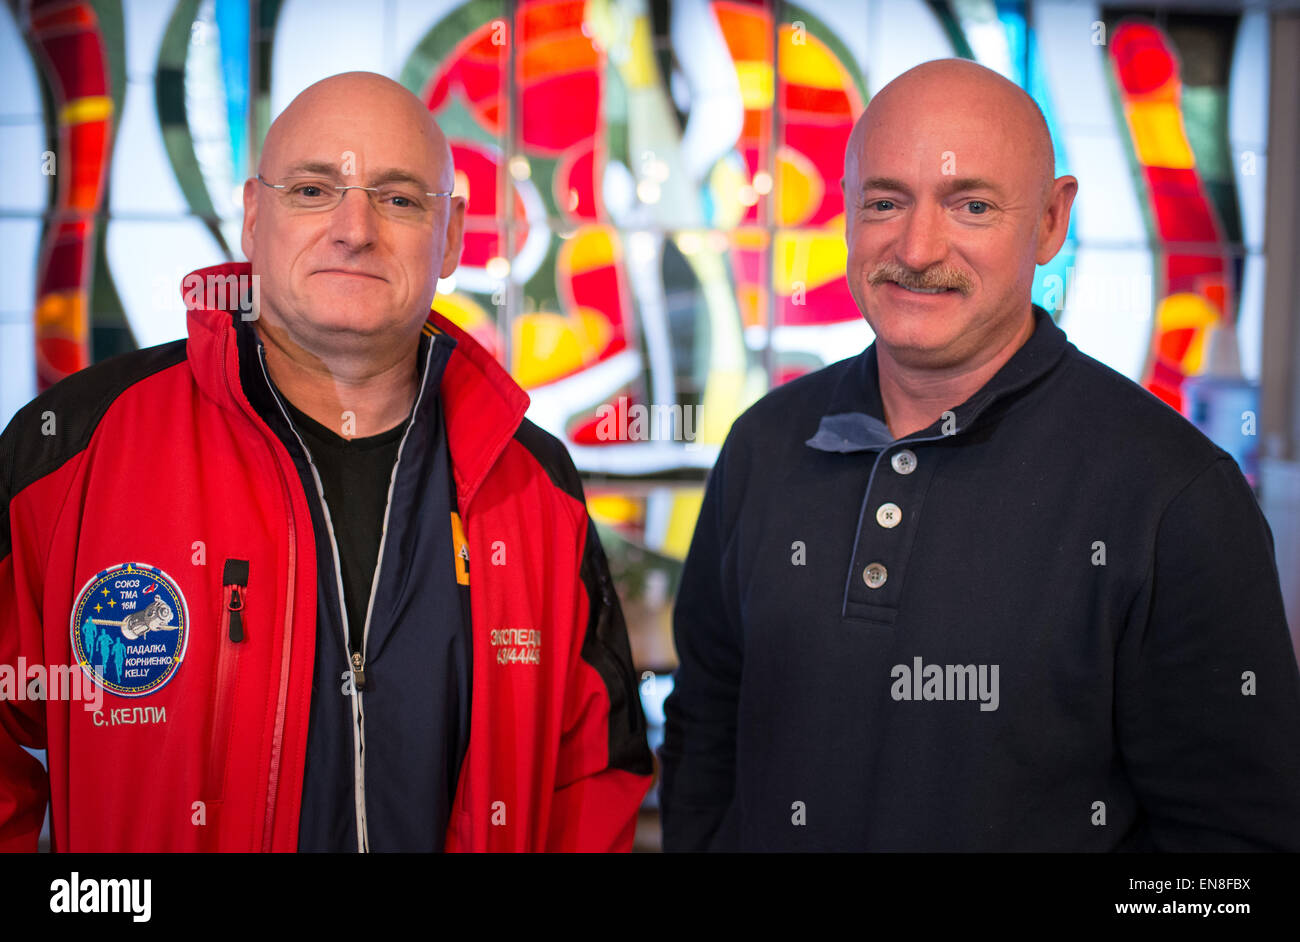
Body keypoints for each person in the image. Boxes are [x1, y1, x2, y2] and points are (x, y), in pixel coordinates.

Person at [0, 71, 652, 852]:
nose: (354, 229)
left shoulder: (532, 484)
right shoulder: (72, 448)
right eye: (313, 190)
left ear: (450, 236)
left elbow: (592, 781)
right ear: (251, 217)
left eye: (400, 198)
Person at [660, 58, 1300, 851]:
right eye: (886, 201)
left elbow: (1233, 855)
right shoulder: (764, 443)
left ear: (1050, 221)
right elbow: (706, 721)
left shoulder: (1176, 497)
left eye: (971, 205)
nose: (919, 248)